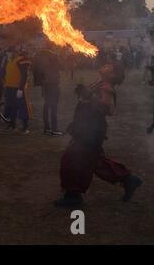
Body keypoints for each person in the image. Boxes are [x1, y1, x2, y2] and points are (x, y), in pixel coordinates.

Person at [56, 64, 142, 207]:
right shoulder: (100, 82)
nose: (106, 66)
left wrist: (90, 97)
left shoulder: (106, 87)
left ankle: (73, 195)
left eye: (110, 67)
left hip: (91, 130)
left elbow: (109, 109)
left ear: (112, 75)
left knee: (73, 159)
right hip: (86, 127)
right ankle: (128, 179)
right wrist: (84, 94)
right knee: (95, 161)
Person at [34, 44, 63, 136]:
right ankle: (54, 129)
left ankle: (46, 127)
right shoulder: (53, 55)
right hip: (53, 83)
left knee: (46, 105)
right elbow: (61, 66)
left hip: (45, 84)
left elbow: (36, 70)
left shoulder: (39, 55)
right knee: (53, 106)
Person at [4, 46, 32, 134]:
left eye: (10, 52)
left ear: (15, 52)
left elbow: (24, 75)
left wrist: (20, 88)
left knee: (22, 107)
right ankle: (12, 125)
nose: (8, 53)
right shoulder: (9, 61)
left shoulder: (21, 60)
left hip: (17, 88)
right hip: (9, 87)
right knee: (11, 107)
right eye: (8, 52)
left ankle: (25, 127)